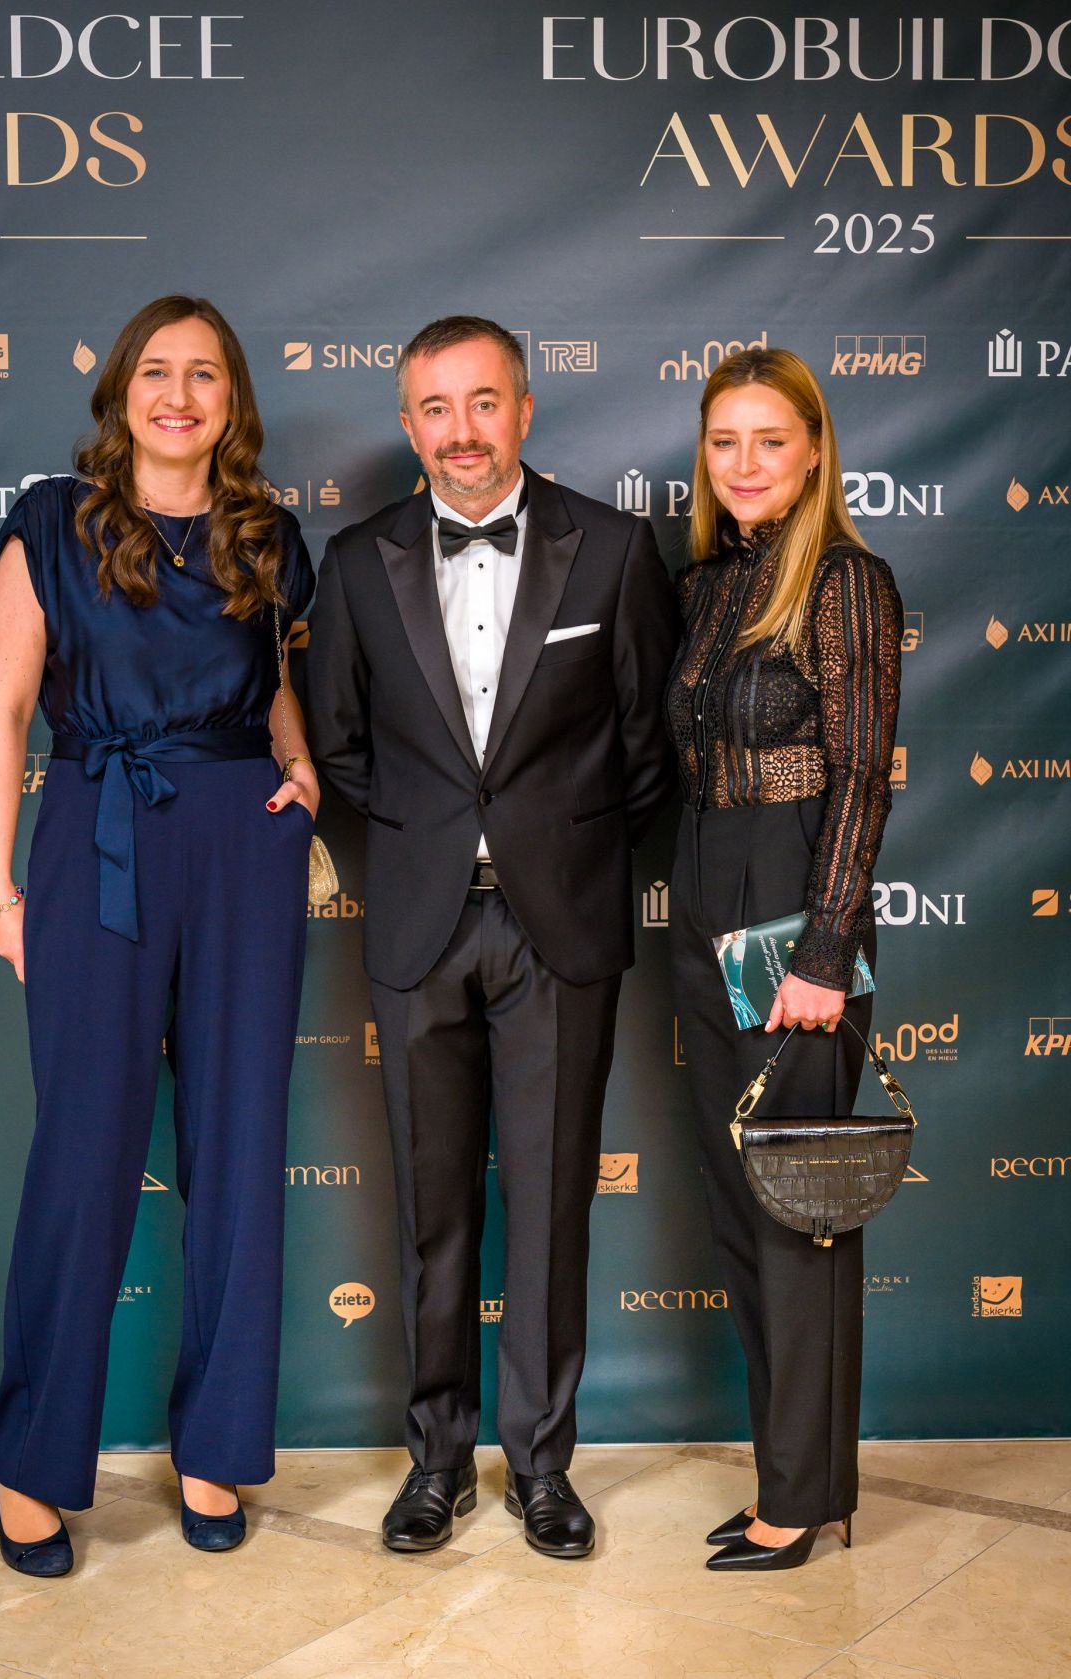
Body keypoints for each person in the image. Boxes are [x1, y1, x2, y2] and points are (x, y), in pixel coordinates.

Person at [306, 315, 677, 1558]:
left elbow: (646, 750)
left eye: (482, 402)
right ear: (409, 425)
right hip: (421, 921)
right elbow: (340, 742)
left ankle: (542, 1465)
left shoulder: (613, 549)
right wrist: (434, 834)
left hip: (559, 923)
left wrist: (550, 844)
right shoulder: (356, 561)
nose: (460, 431)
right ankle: (435, 1459)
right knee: (431, 1208)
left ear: (524, 408)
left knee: (555, 1201)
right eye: (435, 408)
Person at [0, 295, 317, 1574]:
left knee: (240, 1149)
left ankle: (216, 1444)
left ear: (232, 401)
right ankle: (33, 1459)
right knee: (84, 1153)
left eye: (204, 374)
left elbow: (276, 683)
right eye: (157, 371)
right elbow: (4, 715)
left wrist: (301, 768)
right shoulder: (51, 525)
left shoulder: (269, 536)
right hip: (97, 830)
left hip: (242, 843)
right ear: (121, 390)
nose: (179, 395)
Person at [663, 346, 902, 1572]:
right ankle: (790, 1473)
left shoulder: (847, 579)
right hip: (707, 887)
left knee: (800, 1206)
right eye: (724, 441)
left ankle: (802, 1498)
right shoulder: (711, 583)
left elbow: (861, 776)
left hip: (796, 898)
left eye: (770, 438)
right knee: (744, 1198)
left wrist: (823, 946)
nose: (745, 462)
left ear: (814, 449)